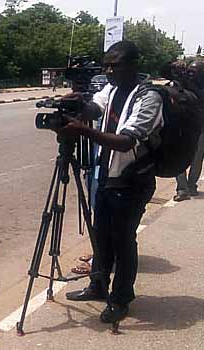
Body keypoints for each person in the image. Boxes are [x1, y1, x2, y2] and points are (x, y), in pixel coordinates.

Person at [58, 41, 163, 324]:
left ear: (132, 65)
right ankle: (98, 285)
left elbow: (127, 141)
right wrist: (77, 104)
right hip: (106, 176)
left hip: (132, 181)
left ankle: (121, 298)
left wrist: (83, 131)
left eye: (114, 65)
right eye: (106, 65)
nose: (108, 70)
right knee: (101, 236)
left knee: (123, 241)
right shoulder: (112, 88)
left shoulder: (149, 97)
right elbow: (95, 108)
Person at [173, 61, 204, 201]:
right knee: (178, 156)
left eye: (194, 71)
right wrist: (175, 67)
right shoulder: (182, 81)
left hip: (200, 126)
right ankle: (182, 188)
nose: (190, 73)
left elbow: (199, 96)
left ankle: (192, 184)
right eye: (189, 70)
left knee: (197, 158)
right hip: (182, 125)